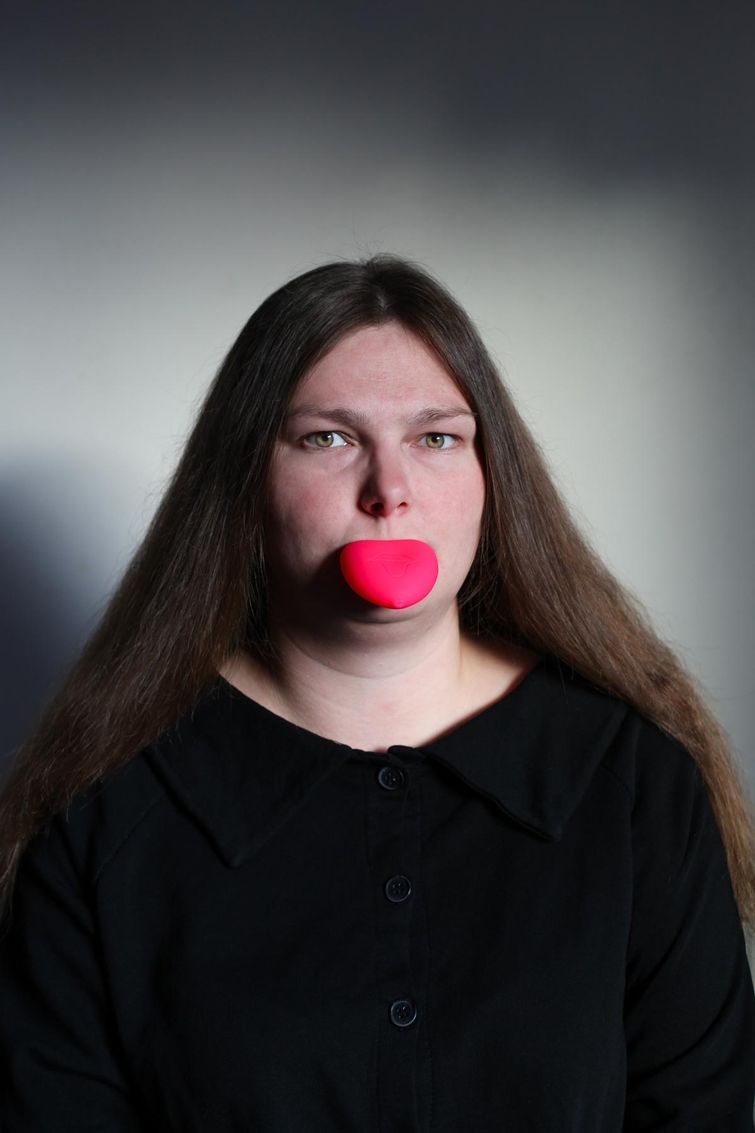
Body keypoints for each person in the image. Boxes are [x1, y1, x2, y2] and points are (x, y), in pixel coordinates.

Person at [0, 255, 753, 1130]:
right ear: (243, 484)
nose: (389, 492)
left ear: (491, 480)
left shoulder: (633, 785)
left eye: (436, 438)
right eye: (329, 438)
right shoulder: (103, 809)